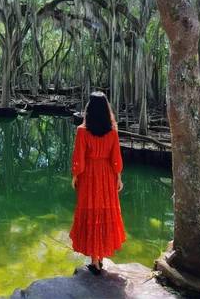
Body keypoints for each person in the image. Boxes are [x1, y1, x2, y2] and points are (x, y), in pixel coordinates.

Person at [69, 91, 126, 275]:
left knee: (91, 213)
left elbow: (79, 158)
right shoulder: (112, 132)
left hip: (89, 177)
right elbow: (116, 157)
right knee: (104, 213)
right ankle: (100, 258)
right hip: (107, 175)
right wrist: (118, 177)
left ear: (89, 110)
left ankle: (94, 261)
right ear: (106, 110)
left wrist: (76, 175)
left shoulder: (82, 131)